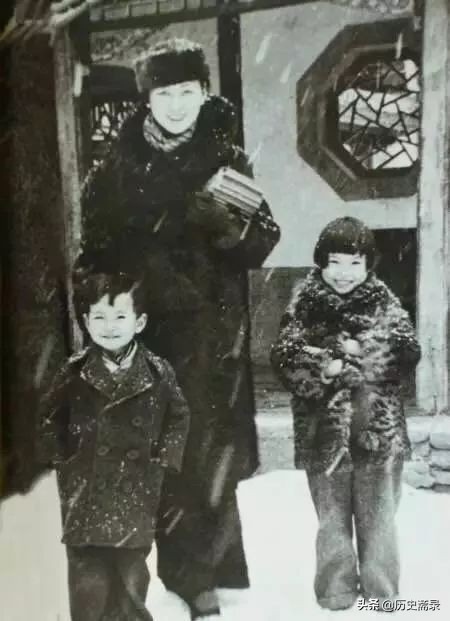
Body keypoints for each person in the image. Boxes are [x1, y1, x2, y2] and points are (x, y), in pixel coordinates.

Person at [76, 38, 280, 617]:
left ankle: (216, 572)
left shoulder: (228, 160)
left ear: (204, 93)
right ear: (147, 99)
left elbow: (264, 241)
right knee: (165, 458)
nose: (176, 105)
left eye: (187, 92)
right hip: (147, 333)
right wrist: (112, 305)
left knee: (211, 456)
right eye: (164, 94)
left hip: (213, 337)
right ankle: (186, 578)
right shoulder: (115, 169)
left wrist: (228, 228)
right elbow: (92, 255)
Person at [271, 217, 420, 611]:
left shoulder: (384, 302)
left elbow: (407, 351)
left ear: (368, 265)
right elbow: (284, 356)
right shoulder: (305, 304)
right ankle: (335, 591)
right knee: (331, 522)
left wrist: (363, 350)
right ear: (321, 262)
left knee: (380, 520)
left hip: (377, 431)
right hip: (323, 435)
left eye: (355, 263)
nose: (344, 273)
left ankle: (381, 592)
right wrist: (326, 364)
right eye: (335, 262)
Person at [35, 272, 190, 621]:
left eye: (120, 316)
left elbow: (179, 416)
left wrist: (164, 458)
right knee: (88, 582)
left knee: (131, 576)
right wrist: (63, 456)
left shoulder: (158, 372)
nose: (110, 327)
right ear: (87, 322)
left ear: (140, 322)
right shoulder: (74, 372)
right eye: (100, 318)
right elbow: (49, 416)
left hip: (136, 489)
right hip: (86, 490)